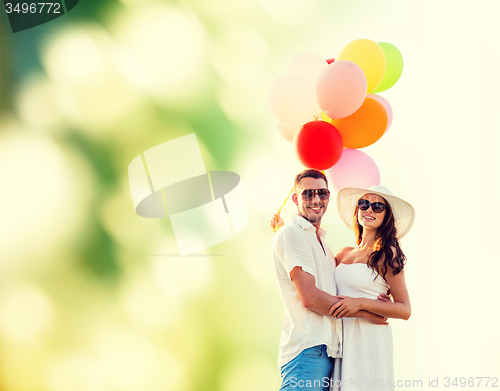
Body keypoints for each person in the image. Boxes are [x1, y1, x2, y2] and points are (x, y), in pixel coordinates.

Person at [272, 170, 389, 391]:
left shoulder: (323, 246)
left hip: (328, 351)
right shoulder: (292, 233)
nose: (316, 200)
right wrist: (365, 312)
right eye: (308, 194)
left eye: (322, 193)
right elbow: (310, 298)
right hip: (307, 350)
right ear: (296, 199)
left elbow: (346, 283)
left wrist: (375, 293)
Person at [328, 186, 415, 391]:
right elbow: (314, 272)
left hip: (368, 340)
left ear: (387, 216)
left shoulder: (387, 253)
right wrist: (287, 230)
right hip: (341, 338)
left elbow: (405, 309)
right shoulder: (343, 254)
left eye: (377, 207)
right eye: (363, 204)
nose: (369, 210)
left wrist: (361, 304)